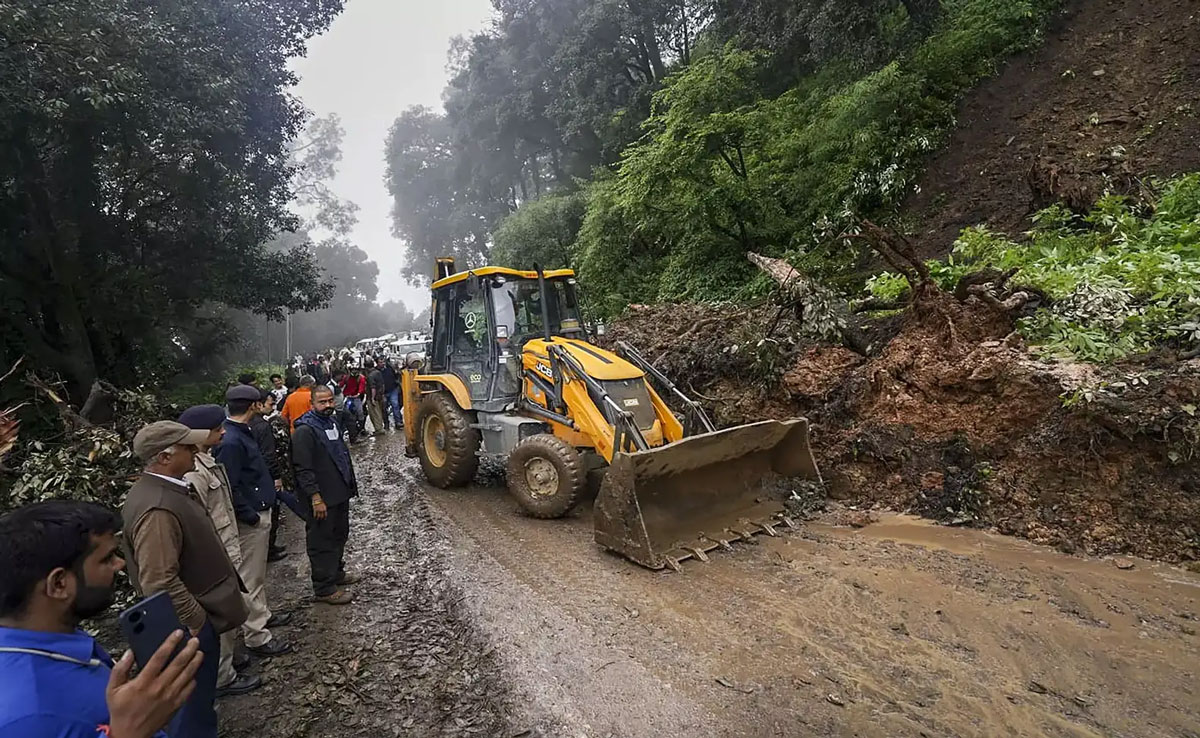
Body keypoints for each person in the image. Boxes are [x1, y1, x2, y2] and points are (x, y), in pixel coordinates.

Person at [0, 500, 205, 738]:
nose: (119, 564)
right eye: (106, 559)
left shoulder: (53, 634)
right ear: (58, 584)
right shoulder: (27, 718)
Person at [122, 420, 249, 738]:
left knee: (200, 700)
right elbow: (158, 579)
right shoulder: (159, 508)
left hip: (191, 624)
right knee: (191, 708)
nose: (196, 450)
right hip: (187, 628)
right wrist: (196, 621)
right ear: (164, 457)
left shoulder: (168, 490)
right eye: (187, 447)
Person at [178, 405, 262, 698]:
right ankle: (222, 677)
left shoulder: (207, 460)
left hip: (226, 546)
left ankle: (227, 661)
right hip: (215, 554)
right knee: (221, 614)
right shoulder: (193, 474)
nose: (223, 431)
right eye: (217, 430)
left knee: (232, 609)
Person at [214, 386, 293, 661]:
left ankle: (262, 615)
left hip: (258, 509)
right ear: (253, 406)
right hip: (251, 517)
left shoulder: (237, 433)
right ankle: (256, 635)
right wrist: (250, 515)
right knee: (250, 577)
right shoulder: (232, 442)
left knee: (257, 574)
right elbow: (230, 485)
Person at [292, 384, 360, 605]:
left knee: (340, 535)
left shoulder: (331, 422)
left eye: (330, 401)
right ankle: (324, 589)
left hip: (339, 493)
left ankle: (337, 574)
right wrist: (315, 497)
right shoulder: (305, 431)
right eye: (322, 402)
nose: (328, 405)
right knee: (322, 541)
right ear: (312, 403)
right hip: (322, 498)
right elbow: (303, 468)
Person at [248, 390, 288, 562]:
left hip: (254, 477)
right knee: (272, 511)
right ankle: (269, 549)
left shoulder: (248, 424)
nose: (272, 407)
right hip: (267, 475)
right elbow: (268, 454)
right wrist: (277, 476)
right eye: (270, 404)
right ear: (258, 404)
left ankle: (269, 547)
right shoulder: (262, 426)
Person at [340, 367, 366, 440]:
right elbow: (341, 385)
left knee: (360, 413)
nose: (354, 371)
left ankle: (361, 427)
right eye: (353, 370)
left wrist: (359, 393)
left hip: (357, 398)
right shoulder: (346, 377)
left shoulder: (361, 378)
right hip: (348, 397)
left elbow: (362, 387)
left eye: (356, 370)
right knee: (346, 413)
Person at [381, 357, 402, 430]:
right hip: (383, 392)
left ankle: (398, 422)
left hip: (393, 389)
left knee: (395, 405)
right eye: (380, 362)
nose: (382, 363)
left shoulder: (390, 368)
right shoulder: (377, 371)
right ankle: (386, 424)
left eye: (383, 361)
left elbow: (397, 376)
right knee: (384, 408)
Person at [366, 359, 385, 436]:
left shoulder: (370, 376)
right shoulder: (378, 372)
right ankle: (380, 427)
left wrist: (372, 398)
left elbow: (372, 388)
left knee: (374, 413)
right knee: (379, 412)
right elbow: (383, 384)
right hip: (380, 395)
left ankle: (379, 429)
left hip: (373, 397)